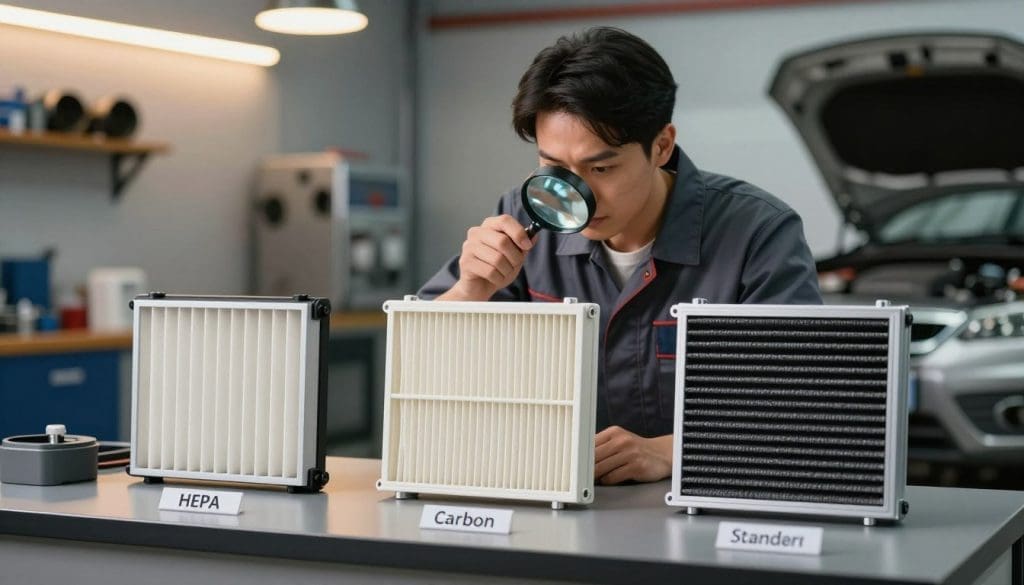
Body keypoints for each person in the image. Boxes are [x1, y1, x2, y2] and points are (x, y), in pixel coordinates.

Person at [418, 27, 821, 486]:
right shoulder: (522, 218)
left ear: (662, 146)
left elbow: (800, 403)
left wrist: (672, 451)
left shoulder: (758, 232)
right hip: (562, 499)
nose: (574, 196)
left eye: (601, 168)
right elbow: (422, 366)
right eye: (554, 167)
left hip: (710, 496)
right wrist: (470, 290)